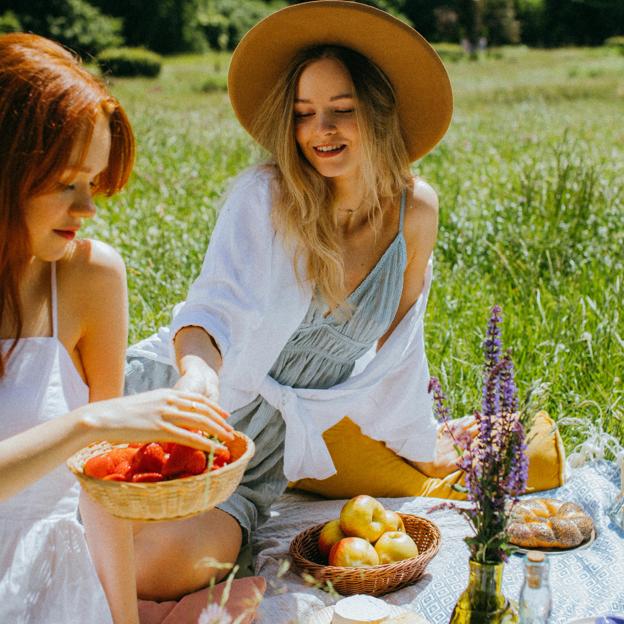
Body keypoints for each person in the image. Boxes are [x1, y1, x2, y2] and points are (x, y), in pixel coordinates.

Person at [122, 0, 461, 600]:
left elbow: (399, 347)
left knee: (164, 568)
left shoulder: (416, 210)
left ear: (378, 115)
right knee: (76, 520)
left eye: (342, 110)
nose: (320, 131)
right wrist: (195, 378)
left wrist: (417, 438)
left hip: (257, 458)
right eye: (304, 114)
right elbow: (211, 311)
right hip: (187, 409)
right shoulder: (265, 198)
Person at [0, 33, 233, 624]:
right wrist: (90, 423)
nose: (89, 210)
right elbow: (95, 430)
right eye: (65, 184)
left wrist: (121, 619)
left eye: (94, 184)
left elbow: (102, 492)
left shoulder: (89, 275)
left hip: (48, 591)